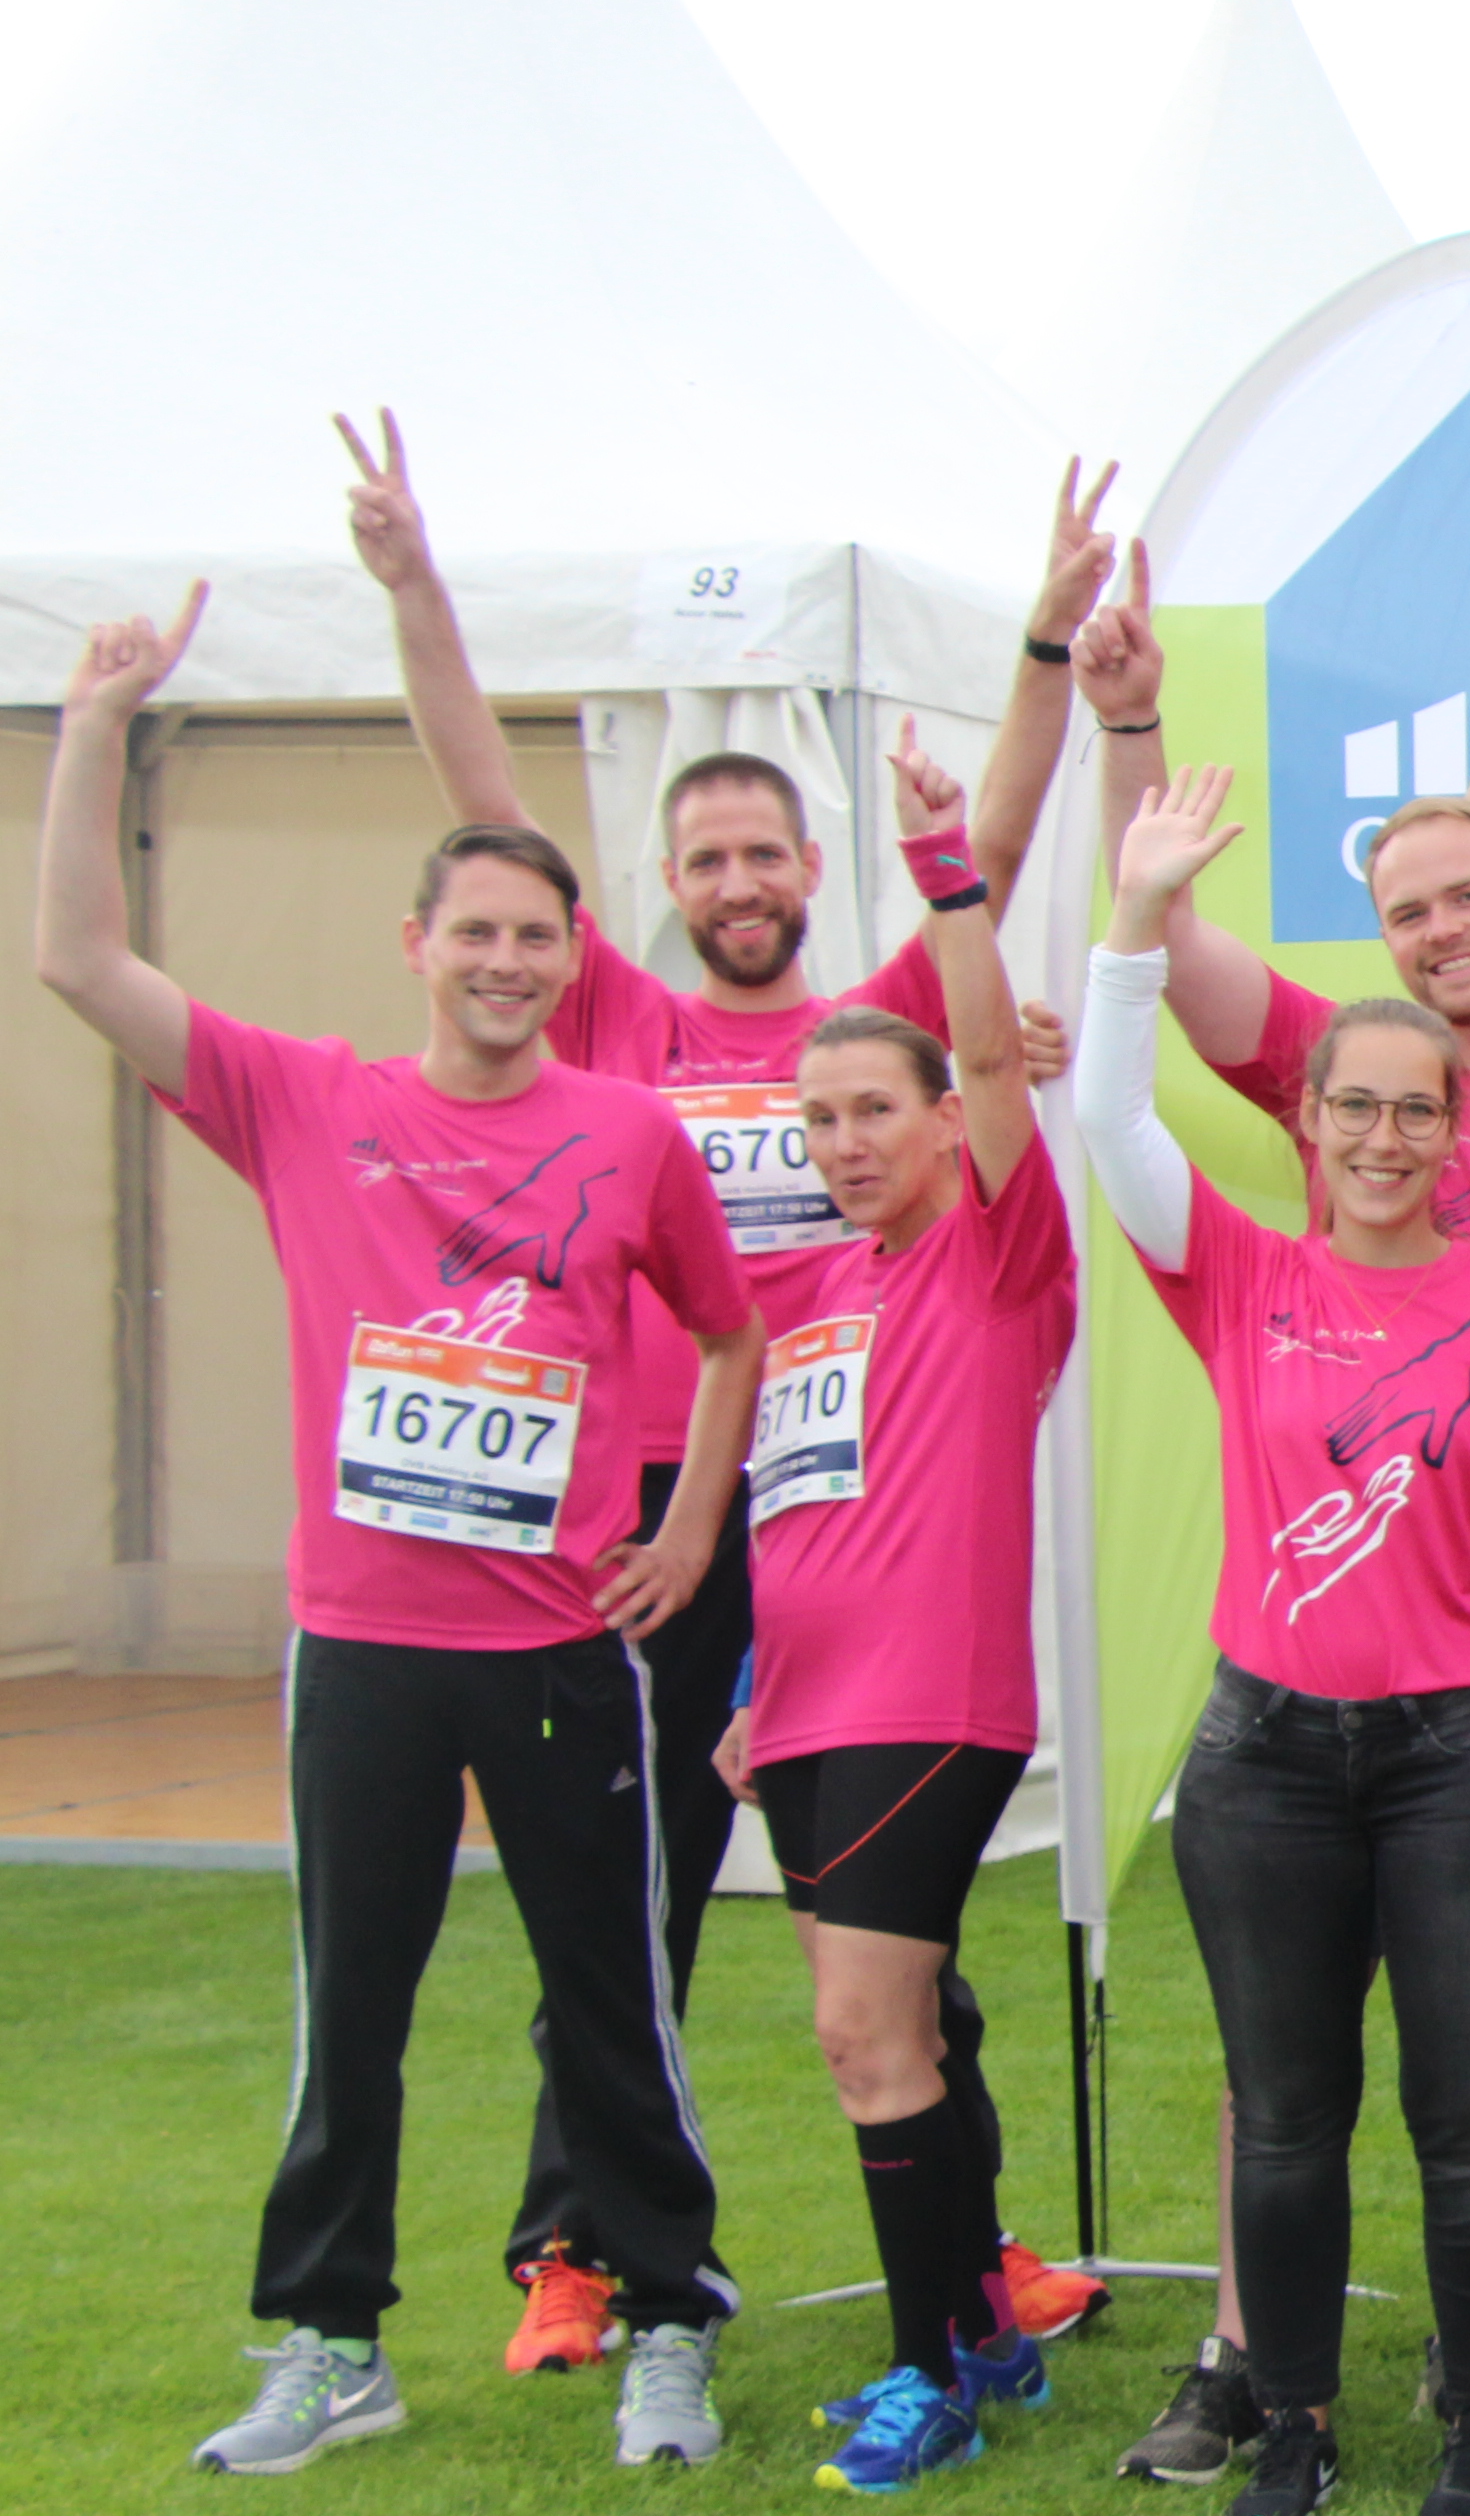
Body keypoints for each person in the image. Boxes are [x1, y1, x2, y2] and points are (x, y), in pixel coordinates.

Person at [345, 415, 1113, 2371]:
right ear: (664, 887)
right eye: (707, 858)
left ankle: (984, 2249)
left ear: (808, 869)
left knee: (894, 1903)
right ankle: (579, 2251)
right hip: (664, 1519)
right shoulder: (627, 1018)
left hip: (853, 1507)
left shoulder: (871, 1033)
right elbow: (476, 793)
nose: (742, 879)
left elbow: (996, 858)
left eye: (769, 850)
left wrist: (1039, 651)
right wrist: (416, 592)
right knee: (635, 1889)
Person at [42, 589, 766, 2478]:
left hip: (552, 1647)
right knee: (348, 2001)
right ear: (420, 947)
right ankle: (328, 2341)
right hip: (360, 1644)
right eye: (478, 933)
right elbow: (78, 960)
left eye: (537, 935)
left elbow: (731, 1328)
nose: (508, 962)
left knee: (610, 2000)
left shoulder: (630, 1134)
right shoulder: (305, 1099)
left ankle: (665, 2321)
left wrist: (686, 1529)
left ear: (567, 954)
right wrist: (99, 720)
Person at [1084, 597, 1470, 2445]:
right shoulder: (1345, 1085)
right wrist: (1128, 754)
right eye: (1403, 912)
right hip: (1348, 1632)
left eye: (1467, 898)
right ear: (1332, 1109)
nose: (1438, 929)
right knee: (1295, 2051)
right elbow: (1150, 991)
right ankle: (1260, 2359)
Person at [711, 731, 1079, 2495]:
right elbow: (803, 1509)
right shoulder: (810, 1292)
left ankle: (923, 2370)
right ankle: (988, 2341)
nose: (845, 1146)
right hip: (803, 1712)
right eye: (820, 1122)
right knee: (904, 2035)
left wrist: (948, 869)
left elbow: (994, 1049)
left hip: (927, 1705)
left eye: (875, 1111)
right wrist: (751, 1694)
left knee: (864, 2038)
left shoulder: (992, 1254)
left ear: (943, 1121)